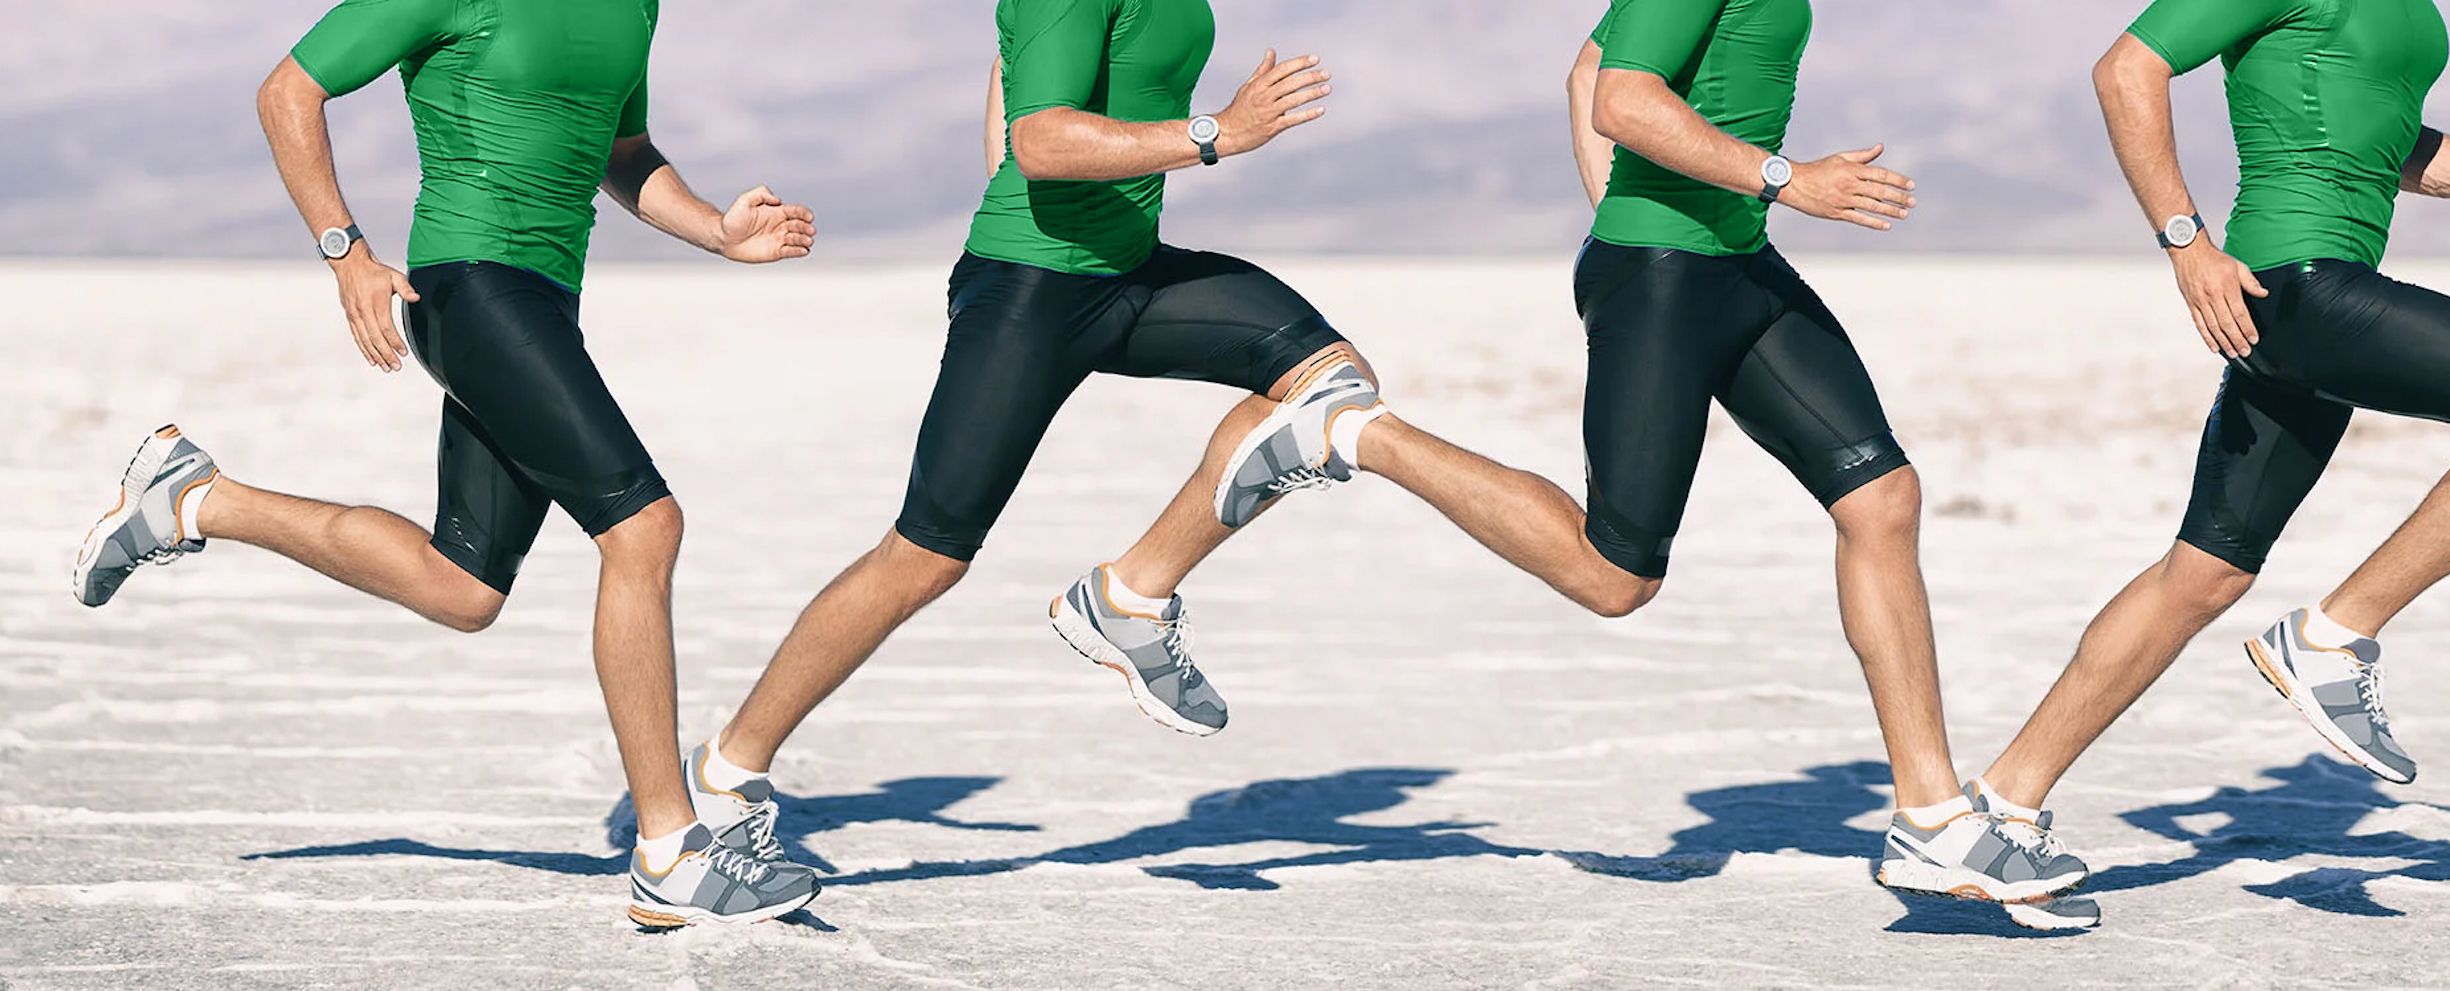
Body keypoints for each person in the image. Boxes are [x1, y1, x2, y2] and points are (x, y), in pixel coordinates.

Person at [679, 0, 2074, 918]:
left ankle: (1134, 592)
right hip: (1033, 289)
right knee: (927, 550)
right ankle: (733, 774)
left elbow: (1583, 70)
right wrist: (1210, 137)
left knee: (1326, 370)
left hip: (1130, 267)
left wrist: (1617, 229)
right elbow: (1036, 140)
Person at [69, 0, 822, 928]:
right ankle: (669, 849)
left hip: (541, 301)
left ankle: (196, 498)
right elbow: (288, 90)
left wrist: (716, 230)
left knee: (461, 585)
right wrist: (345, 251)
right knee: (644, 526)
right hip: (469, 287)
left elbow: (621, 151)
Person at [1957, 0, 2450, 910]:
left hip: (2296, 301)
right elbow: (2126, 68)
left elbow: (2386, 145)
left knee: (2201, 574)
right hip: (2299, 285)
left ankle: (1998, 808)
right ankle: (2329, 635)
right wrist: (2185, 243)